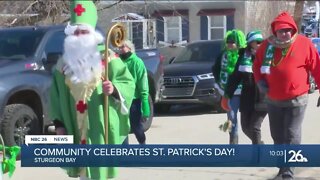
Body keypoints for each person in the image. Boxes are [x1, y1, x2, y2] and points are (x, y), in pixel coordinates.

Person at [49, 1, 135, 179]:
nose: (80, 36)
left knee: (99, 171)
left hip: (99, 126)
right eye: (76, 32)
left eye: (84, 32)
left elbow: (127, 83)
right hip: (75, 125)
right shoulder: (63, 65)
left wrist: (114, 89)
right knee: (82, 172)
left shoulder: (109, 58)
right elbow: (55, 97)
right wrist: (59, 126)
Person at [253, 11, 320, 180]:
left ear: (293, 30)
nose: (285, 34)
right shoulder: (266, 46)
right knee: (277, 135)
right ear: (275, 32)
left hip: (297, 98)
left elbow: (317, 68)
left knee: (291, 133)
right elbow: (257, 66)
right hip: (273, 99)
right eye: (281, 31)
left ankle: (288, 171)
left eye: (288, 30)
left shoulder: (304, 43)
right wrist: (260, 82)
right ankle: (282, 167)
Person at [225, 30, 267, 144]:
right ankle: (259, 144)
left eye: (261, 41)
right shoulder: (243, 56)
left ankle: (257, 155)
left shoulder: (267, 55)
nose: (259, 44)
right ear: (250, 43)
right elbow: (235, 77)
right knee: (245, 128)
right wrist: (227, 94)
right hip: (247, 98)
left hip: (262, 98)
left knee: (254, 127)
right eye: (256, 42)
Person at [212, 29, 247, 144]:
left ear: (239, 43)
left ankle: (256, 142)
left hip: (244, 91)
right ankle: (233, 143)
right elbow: (215, 69)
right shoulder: (223, 55)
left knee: (247, 121)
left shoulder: (244, 55)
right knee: (231, 116)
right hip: (228, 92)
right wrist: (218, 82)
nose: (230, 44)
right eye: (229, 41)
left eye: (233, 42)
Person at [119, 40, 150, 145]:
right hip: (120, 99)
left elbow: (143, 82)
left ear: (129, 48)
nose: (121, 49)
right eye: (120, 47)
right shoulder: (118, 61)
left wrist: (145, 104)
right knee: (122, 126)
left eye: (123, 46)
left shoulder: (137, 62)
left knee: (135, 125)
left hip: (133, 100)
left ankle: (143, 144)